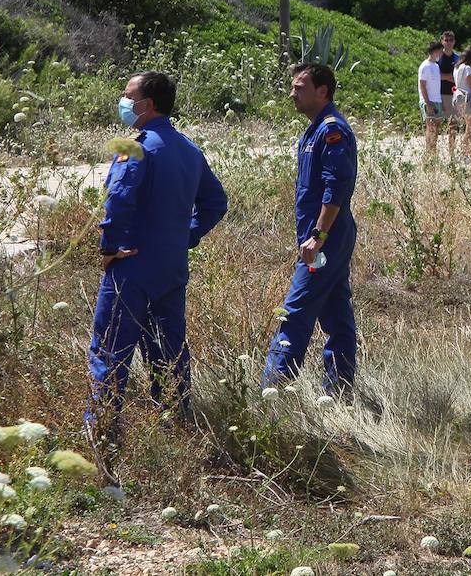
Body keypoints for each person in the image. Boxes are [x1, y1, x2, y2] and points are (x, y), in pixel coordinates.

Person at [86, 71, 227, 459]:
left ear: (147, 105)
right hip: (171, 267)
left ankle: (101, 436)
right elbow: (216, 203)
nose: (124, 102)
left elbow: (118, 199)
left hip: (133, 267)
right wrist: (184, 237)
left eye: (128, 96)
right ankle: (176, 426)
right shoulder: (188, 148)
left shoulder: (139, 147)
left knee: (111, 352)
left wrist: (110, 247)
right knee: (168, 351)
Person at [262, 63, 360, 393]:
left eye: (300, 87)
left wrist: (318, 237)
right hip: (321, 238)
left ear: (322, 91)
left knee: (295, 312)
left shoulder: (332, 130)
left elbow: (336, 188)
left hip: (325, 239)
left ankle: (272, 392)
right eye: (293, 86)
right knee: (336, 314)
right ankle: (339, 391)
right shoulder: (315, 129)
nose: (292, 93)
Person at [452, 45, 471, 158]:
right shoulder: (467, 68)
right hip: (468, 98)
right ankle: (466, 152)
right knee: (470, 128)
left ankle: (467, 152)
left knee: (468, 126)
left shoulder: (457, 67)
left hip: (458, 97)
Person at [418, 40, 445, 154]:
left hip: (437, 100)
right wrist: (428, 104)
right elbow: (422, 85)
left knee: (437, 127)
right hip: (428, 101)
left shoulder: (436, 66)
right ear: (435, 51)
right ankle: (429, 153)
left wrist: (441, 101)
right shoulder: (425, 66)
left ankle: (433, 151)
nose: (441, 53)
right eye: (440, 51)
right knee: (431, 127)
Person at [437, 30, 460, 158]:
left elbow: (457, 77)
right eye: (446, 40)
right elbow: (435, 76)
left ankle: (451, 153)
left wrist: (444, 76)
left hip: (453, 95)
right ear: (442, 41)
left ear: (454, 42)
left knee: (453, 125)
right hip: (438, 95)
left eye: (451, 40)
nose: (448, 43)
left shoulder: (458, 59)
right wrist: (449, 77)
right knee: (436, 124)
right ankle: (433, 153)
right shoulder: (437, 58)